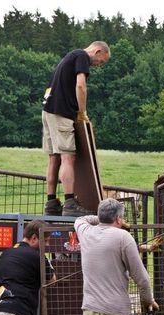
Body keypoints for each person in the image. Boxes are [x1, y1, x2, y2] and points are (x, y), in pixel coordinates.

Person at [42, 41, 111, 217]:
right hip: (62, 112)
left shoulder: (69, 57)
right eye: (101, 61)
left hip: (48, 110)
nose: (98, 65)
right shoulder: (81, 56)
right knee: (68, 156)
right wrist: (82, 113)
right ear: (97, 51)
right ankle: (70, 202)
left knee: (54, 158)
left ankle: (51, 203)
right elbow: (80, 85)